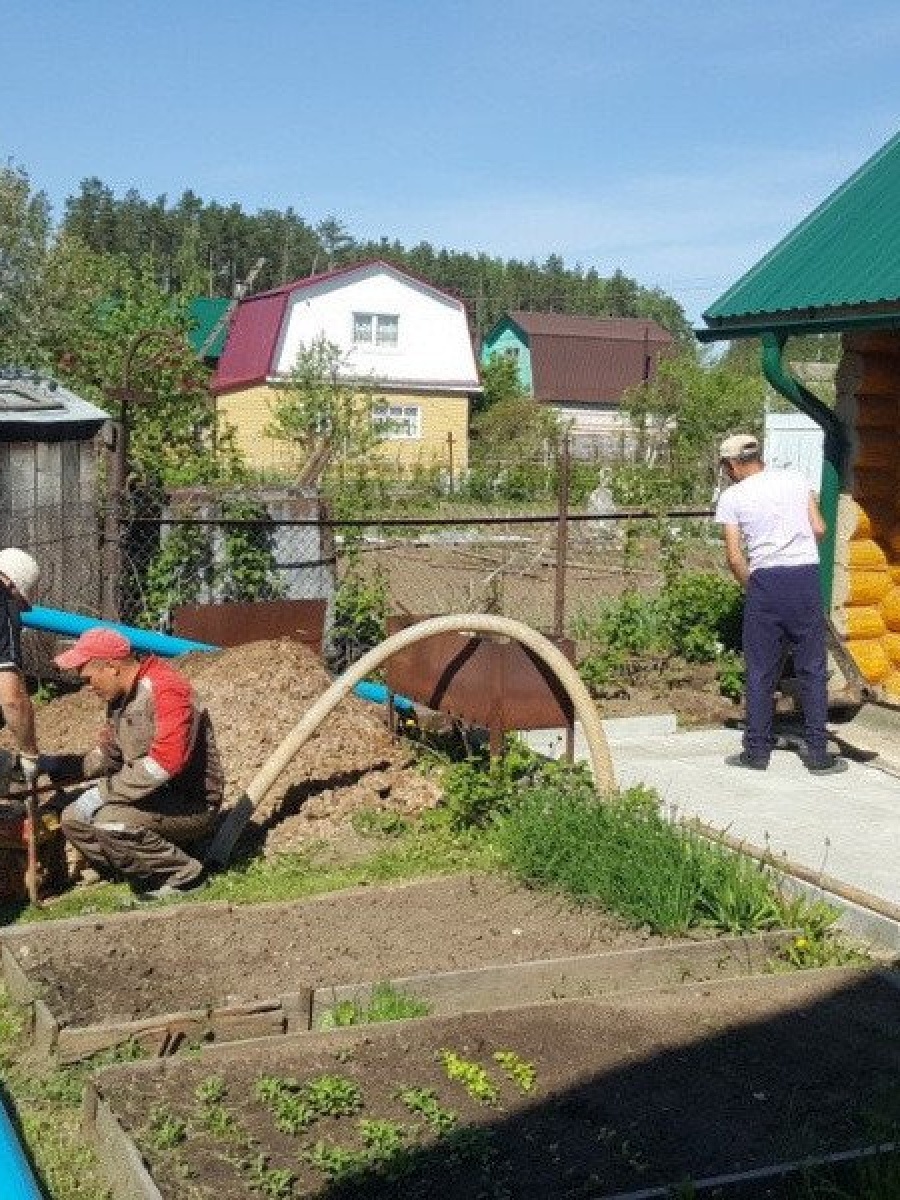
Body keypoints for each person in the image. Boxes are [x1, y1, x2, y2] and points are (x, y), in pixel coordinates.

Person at [44, 626, 224, 898]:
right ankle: (136, 872)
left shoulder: (166, 690)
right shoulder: (120, 698)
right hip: (150, 798)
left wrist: (101, 793)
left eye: (89, 678)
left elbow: (165, 763)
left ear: (111, 666)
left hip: (191, 804)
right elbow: (108, 756)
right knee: (72, 818)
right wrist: (54, 766)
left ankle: (185, 876)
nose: (87, 686)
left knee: (108, 821)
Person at [715, 433, 847, 776]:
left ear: (731, 465)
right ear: (758, 455)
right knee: (813, 669)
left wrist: (754, 587)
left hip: (765, 583)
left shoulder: (732, 497)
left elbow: (733, 557)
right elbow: (819, 528)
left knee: (761, 671)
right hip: (804, 579)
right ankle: (818, 754)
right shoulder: (794, 480)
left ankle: (756, 752)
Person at [0, 548, 41, 788]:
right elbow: (12, 699)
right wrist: (30, 754)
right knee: (9, 773)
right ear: (13, 586)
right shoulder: (3, 601)